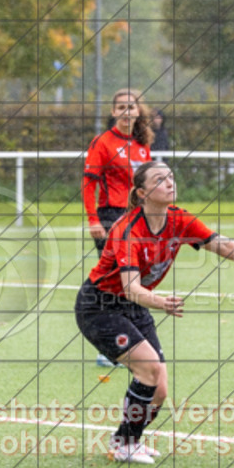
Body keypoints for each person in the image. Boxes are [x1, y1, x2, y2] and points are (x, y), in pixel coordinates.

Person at [76, 161, 234, 464]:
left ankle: (126, 439)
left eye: (171, 177)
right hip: (100, 306)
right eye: (160, 179)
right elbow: (132, 287)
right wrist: (161, 302)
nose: (169, 182)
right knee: (148, 370)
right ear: (142, 192)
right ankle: (125, 445)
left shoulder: (179, 219)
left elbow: (222, 245)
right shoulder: (127, 229)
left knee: (159, 389)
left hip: (134, 304)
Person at [83, 89, 154, 368]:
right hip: (111, 218)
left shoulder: (142, 145)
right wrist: (93, 219)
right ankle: (109, 344)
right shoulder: (103, 143)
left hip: (137, 219)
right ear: (114, 112)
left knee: (134, 280)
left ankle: (126, 342)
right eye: (121, 107)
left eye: (131, 107)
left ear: (138, 112)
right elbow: (89, 183)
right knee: (116, 279)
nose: (126, 111)